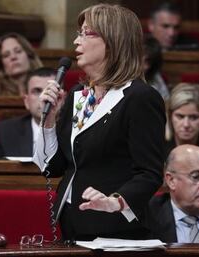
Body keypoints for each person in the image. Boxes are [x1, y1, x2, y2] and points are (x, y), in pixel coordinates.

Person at [33, 4, 166, 241]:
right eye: (78, 33)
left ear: (114, 41)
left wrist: (115, 201)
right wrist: (49, 121)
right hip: (71, 223)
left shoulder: (140, 98)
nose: (76, 42)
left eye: (86, 33)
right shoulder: (77, 95)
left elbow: (150, 173)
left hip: (117, 231)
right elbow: (51, 167)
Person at [0, 67, 56, 159]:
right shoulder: (3, 132)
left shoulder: (75, 131)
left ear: (63, 98)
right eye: (37, 91)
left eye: (51, 91)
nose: (45, 98)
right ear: (26, 101)